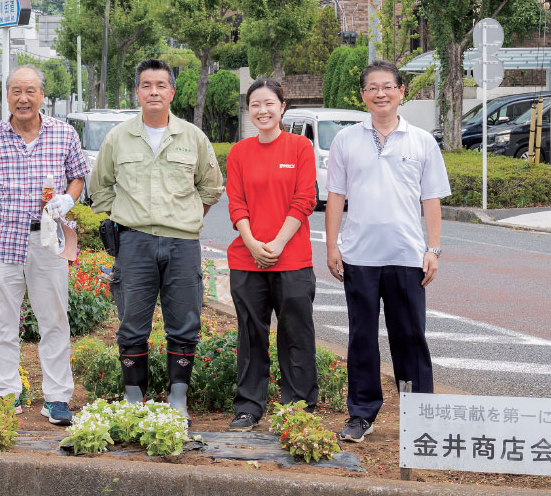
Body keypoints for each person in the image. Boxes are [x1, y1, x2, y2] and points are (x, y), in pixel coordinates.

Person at [87, 58, 224, 420]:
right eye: (146, 85)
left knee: (184, 322)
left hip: (182, 245)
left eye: (161, 85)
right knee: (132, 322)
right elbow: (99, 187)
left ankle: (177, 399)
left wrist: (186, 220)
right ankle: (136, 399)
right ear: (137, 92)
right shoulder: (118, 138)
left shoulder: (192, 137)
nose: (153, 92)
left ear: (172, 92)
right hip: (134, 243)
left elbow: (210, 188)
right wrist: (122, 218)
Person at [325, 60, 451, 443]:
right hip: (360, 256)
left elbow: (431, 199)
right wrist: (332, 245)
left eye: (387, 86)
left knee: (410, 337)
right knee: (361, 337)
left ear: (401, 91)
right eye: (372, 87)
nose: (380, 93)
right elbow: (335, 197)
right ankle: (361, 414)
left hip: (407, 256)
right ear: (363, 95)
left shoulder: (421, 141)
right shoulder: (346, 140)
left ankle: (421, 416)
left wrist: (433, 249)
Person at [0, 65, 89, 426]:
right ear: (7, 95)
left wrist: (68, 199)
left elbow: (78, 176)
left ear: (42, 95)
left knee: (54, 320)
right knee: (1, 322)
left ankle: (56, 398)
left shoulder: (63, 133)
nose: (23, 98)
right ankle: (7, 393)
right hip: (4, 240)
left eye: (30, 91)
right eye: (16, 91)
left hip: (48, 241)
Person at [224, 80, 318, 432]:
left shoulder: (300, 147)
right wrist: (251, 243)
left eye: (269, 103)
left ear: (282, 106)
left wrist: (277, 244)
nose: (262, 111)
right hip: (247, 261)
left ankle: (299, 408)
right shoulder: (239, 153)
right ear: (249, 110)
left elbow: (304, 199)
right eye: (255, 105)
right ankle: (249, 406)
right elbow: (236, 203)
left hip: (292, 258)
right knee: (250, 335)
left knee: (297, 334)